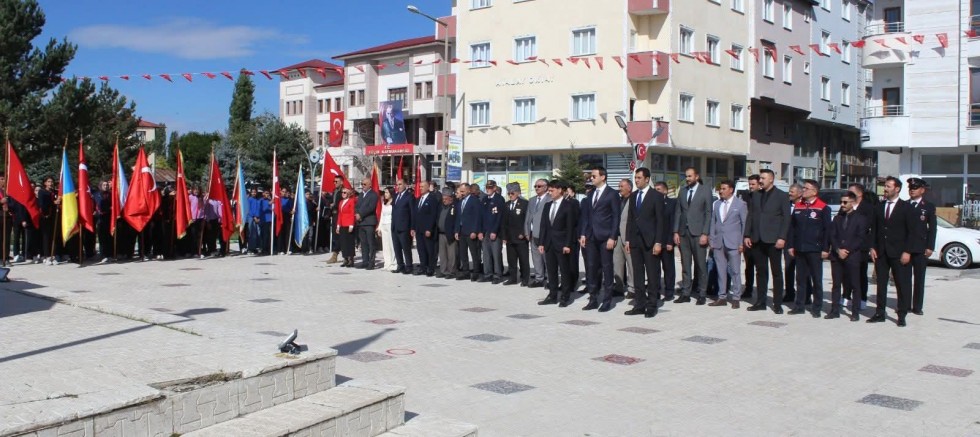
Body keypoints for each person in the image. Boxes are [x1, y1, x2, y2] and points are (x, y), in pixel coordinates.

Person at [743, 169, 791, 313]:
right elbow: (750, 216)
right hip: (757, 239)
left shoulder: (782, 196)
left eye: (763, 178)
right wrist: (747, 235)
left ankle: (777, 303)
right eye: (760, 178)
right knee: (761, 271)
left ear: (771, 179)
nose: (761, 181)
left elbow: (786, 219)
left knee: (776, 272)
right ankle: (761, 302)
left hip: (774, 240)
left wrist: (782, 237)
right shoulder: (756, 195)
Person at [869, 176, 914, 327]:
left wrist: (907, 251)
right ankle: (880, 313)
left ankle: (901, 314)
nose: (885, 189)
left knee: (901, 284)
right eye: (885, 186)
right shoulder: (879, 207)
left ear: (897, 189)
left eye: (888, 186)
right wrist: (872, 247)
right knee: (881, 283)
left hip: (899, 253)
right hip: (881, 252)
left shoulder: (906, 208)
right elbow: (874, 229)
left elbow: (911, 232)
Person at [623, 168, 665, 318]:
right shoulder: (633, 196)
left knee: (652, 275)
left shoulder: (657, 196)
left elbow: (661, 221)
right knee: (638, 274)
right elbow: (630, 219)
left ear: (647, 179)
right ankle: (639, 304)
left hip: (651, 241)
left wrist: (658, 242)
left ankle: (652, 305)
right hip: (635, 241)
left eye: (639, 178)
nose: (636, 180)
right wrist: (628, 239)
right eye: (635, 178)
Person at [579, 166, 622, 312]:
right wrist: (583, 234)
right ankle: (593, 298)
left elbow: (616, 217)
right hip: (591, 237)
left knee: (607, 268)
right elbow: (587, 216)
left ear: (603, 177)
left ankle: (607, 300)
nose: (591, 178)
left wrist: (613, 236)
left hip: (605, 237)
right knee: (591, 268)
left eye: (594, 176)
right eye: (591, 176)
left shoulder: (612, 194)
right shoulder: (591, 194)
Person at [787, 180, 831, 318]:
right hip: (800, 248)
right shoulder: (798, 206)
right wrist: (791, 245)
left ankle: (817, 307)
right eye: (803, 188)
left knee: (816, 279)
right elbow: (792, 228)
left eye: (806, 188)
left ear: (814, 191)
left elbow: (827, 230)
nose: (803, 190)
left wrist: (825, 248)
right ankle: (799, 305)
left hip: (815, 249)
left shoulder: (823, 207)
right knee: (800, 279)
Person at [673, 167, 713, 304]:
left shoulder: (705, 190)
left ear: (697, 176)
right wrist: (676, 231)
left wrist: (705, 233)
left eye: (690, 176)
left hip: (698, 233)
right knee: (685, 264)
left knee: (701, 265)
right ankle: (685, 292)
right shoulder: (683, 191)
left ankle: (702, 293)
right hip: (684, 233)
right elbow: (678, 212)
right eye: (686, 176)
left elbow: (708, 213)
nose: (688, 179)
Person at [537, 180, 578, 307]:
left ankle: (565, 297)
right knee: (551, 271)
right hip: (549, 244)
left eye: (552, 190)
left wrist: (568, 244)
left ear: (560, 190)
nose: (550, 193)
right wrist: (541, 243)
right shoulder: (548, 205)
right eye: (548, 190)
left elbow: (571, 227)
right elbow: (544, 226)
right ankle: (552, 295)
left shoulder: (568, 205)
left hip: (562, 244)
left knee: (564, 271)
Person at [827, 192, 867, 321]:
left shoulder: (860, 218)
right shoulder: (837, 218)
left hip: (853, 256)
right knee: (836, 284)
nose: (842, 205)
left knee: (855, 284)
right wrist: (838, 250)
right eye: (841, 202)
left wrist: (847, 250)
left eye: (845, 202)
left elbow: (860, 238)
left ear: (853, 203)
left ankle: (855, 312)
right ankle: (834, 310)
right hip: (837, 256)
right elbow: (832, 235)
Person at [708, 180, 748, 308]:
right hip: (719, 242)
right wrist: (712, 239)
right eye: (721, 188)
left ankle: (736, 297)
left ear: (731, 190)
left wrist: (742, 242)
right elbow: (713, 222)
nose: (721, 191)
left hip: (734, 242)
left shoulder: (740, 204)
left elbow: (744, 224)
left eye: (724, 188)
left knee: (735, 271)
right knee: (721, 271)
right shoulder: (717, 204)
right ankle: (722, 296)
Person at [906, 177, 936, 316]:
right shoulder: (904, 205)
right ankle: (905, 304)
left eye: (915, 188)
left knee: (919, 279)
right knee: (904, 279)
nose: (912, 190)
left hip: (920, 248)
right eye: (910, 188)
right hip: (905, 249)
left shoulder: (928, 206)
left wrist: (930, 246)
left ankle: (917, 307)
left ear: (922, 190)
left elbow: (932, 228)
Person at [847, 183, 874, 309]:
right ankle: (846, 296)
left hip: (861, 246)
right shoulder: (847, 205)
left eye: (852, 193)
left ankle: (862, 298)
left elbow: (869, 227)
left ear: (860, 194)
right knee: (846, 273)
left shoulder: (868, 208)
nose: (849, 195)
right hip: (846, 245)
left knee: (861, 273)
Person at [783, 183, 809, 304]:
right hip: (788, 242)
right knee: (788, 269)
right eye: (789, 191)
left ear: (799, 193)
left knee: (804, 270)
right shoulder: (786, 205)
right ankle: (789, 293)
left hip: (802, 242)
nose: (789, 193)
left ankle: (806, 295)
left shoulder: (805, 206)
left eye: (792, 191)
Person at [502, 183, 530, 286]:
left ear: (518, 192)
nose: (510, 195)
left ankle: (525, 279)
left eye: (512, 193)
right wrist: (504, 236)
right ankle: (512, 278)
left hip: (520, 237)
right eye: (509, 193)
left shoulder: (524, 204)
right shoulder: (506, 204)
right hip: (510, 238)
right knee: (511, 260)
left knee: (523, 260)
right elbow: (504, 222)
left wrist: (524, 233)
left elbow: (527, 221)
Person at [525, 179, 551, 288]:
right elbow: (528, 217)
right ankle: (539, 278)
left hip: (544, 235)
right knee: (536, 258)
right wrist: (526, 231)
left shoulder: (550, 199)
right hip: (533, 234)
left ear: (546, 187)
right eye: (535, 186)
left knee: (547, 259)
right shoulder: (532, 200)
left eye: (539, 186)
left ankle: (550, 280)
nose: (536, 188)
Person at [654, 181, 678, 301]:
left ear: (665, 191)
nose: (656, 191)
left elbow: (672, 223)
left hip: (667, 241)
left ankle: (669, 291)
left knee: (668, 268)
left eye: (658, 189)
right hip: (654, 242)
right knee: (655, 269)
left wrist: (670, 241)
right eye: (655, 189)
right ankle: (656, 290)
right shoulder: (652, 203)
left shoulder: (671, 203)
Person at [456, 183, 483, 280]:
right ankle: (466, 272)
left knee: (474, 253)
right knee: (463, 253)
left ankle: (476, 271)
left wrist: (474, 231)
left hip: (471, 231)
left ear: (468, 190)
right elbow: (458, 217)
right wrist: (456, 231)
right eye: (461, 191)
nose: (461, 193)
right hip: (462, 231)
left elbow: (477, 217)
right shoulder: (460, 201)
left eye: (463, 191)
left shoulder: (474, 201)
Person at [480, 180, 505, 284]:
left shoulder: (499, 199)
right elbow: (481, 217)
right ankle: (488, 274)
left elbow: (499, 217)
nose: (488, 189)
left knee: (496, 254)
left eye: (490, 187)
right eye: (487, 187)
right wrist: (480, 231)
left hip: (495, 231)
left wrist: (494, 231)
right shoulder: (485, 199)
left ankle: (497, 275)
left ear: (495, 188)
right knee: (486, 254)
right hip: (485, 231)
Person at [612, 178, 634, 298]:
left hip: (628, 236)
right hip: (617, 236)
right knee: (617, 263)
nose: (619, 188)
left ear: (629, 188)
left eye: (621, 186)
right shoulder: (618, 200)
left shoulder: (634, 199)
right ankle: (619, 287)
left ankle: (632, 288)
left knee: (631, 264)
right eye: (619, 186)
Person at [741, 174, 760, 300]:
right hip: (747, 236)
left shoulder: (762, 198)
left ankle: (760, 290)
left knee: (760, 267)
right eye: (750, 184)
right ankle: (748, 289)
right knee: (749, 266)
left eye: (753, 184)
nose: (751, 186)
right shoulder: (746, 197)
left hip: (759, 237)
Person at [413, 181, 438, 276]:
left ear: (428, 188)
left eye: (423, 186)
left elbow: (433, 215)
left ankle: (430, 268)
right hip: (419, 229)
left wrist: (429, 228)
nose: (420, 188)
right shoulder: (419, 199)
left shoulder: (432, 199)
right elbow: (416, 214)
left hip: (427, 229)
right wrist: (413, 228)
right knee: (421, 249)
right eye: (420, 186)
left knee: (429, 250)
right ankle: (423, 267)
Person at [391, 178, 414, 274]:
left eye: (400, 184)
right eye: (397, 185)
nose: (398, 186)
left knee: (406, 248)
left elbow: (412, 213)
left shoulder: (409, 197)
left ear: (405, 185)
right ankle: (400, 265)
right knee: (396, 247)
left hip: (404, 227)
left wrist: (412, 227)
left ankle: (409, 266)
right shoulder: (396, 196)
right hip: (395, 226)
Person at [354, 178, 379, 269]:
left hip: (369, 222)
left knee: (370, 243)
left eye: (364, 184)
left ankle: (371, 262)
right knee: (363, 243)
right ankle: (365, 261)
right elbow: (356, 206)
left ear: (369, 185)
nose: (362, 186)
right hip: (361, 223)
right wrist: (356, 213)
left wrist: (360, 214)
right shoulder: (361, 195)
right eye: (362, 184)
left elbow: (371, 207)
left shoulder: (374, 195)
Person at [436, 187, 458, 279]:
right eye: (443, 198)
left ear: (451, 198)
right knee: (443, 254)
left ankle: (451, 271)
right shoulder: (441, 206)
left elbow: (456, 221)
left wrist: (455, 232)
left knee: (451, 254)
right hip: (441, 234)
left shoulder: (454, 207)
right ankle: (443, 270)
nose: (443, 200)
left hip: (450, 234)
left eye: (446, 199)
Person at [336, 187, 357, 267]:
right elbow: (339, 214)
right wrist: (338, 225)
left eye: (345, 192)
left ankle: (350, 259)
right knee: (343, 242)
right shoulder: (341, 202)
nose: (343, 194)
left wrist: (351, 225)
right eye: (342, 192)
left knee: (349, 242)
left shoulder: (351, 201)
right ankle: (345, 258)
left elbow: (352, 213)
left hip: (348, 224)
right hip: (342, 224)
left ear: (348, 193)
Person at [378, 187, 397, 272]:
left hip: (390, 225)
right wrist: (379, 227)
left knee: (391, 245)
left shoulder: (394, 203)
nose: (385, 194)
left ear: (391, 193)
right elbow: (382, 216)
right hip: (384, 225)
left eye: (387, 193)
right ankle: (387, 263)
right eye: (385, 193)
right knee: (385, 246)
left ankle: (394, 263)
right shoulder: (384, 203)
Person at [327, 176, 345, 263]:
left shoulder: (343, 191)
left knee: (341, 235)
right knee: (335, 235)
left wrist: (334, 205)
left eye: (336, 181)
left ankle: (344, 255)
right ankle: (335, 254)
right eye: (334, 181)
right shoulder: (335, 191)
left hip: (340, 215)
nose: (334, 183)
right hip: (334, 215)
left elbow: (343, 203)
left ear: (341, 182)